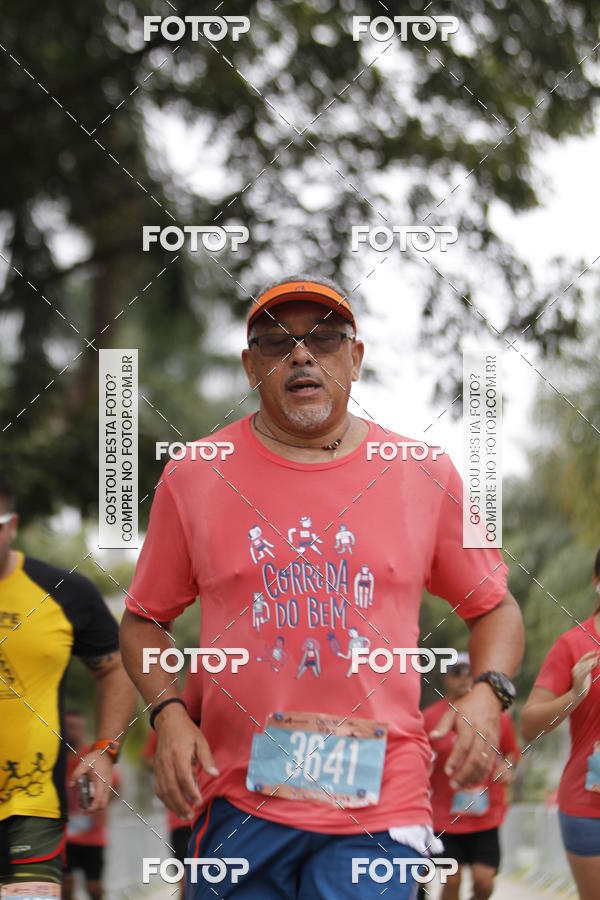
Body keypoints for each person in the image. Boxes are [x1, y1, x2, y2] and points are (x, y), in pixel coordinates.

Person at [120, 275, 524, 899]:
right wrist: (168, 712)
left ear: (354, 360)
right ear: (251, 366)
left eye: (326, 339)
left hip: (381, 803)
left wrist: (489, 694)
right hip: (236, 798)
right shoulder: (195, 474)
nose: (302, 355)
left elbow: (495, 608)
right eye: (277, 343)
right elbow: (144, 619)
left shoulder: (424, 473)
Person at [0, 473, 136, 898]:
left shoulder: (61, 592)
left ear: (12, 524)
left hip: (31, 804)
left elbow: (117, 668)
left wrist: (105, 748)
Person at [521, 548, 600, 900]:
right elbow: (529, 727)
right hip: (589, 807)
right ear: (597, 583)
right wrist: (574, 696)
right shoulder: (574, 645)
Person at [421, 652, 520, 899]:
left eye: (469, 672)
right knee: (451, 880)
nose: (464, 678)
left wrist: (507, 767)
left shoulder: (495, 716)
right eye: (457, 672)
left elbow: (511, 752)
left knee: (484, 882)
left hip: (483, 816)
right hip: (444, 817)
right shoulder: (430, 718)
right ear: (446, 678)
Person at [142, 672, 203, 900]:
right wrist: (175, 763)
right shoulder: (170, 719)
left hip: (221, 812)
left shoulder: (222, 715)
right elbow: (150, 759)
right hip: (183, 816)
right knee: (187, 880)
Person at [62, 711, 120, 900]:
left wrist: (104, 805)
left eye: (77, 727)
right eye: (68, 727)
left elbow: (116, 784)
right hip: (62, 835)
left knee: (94, 888)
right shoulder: (54, 759)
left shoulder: (93, 756)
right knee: (65, 886)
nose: (73, 732)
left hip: (92, 835)